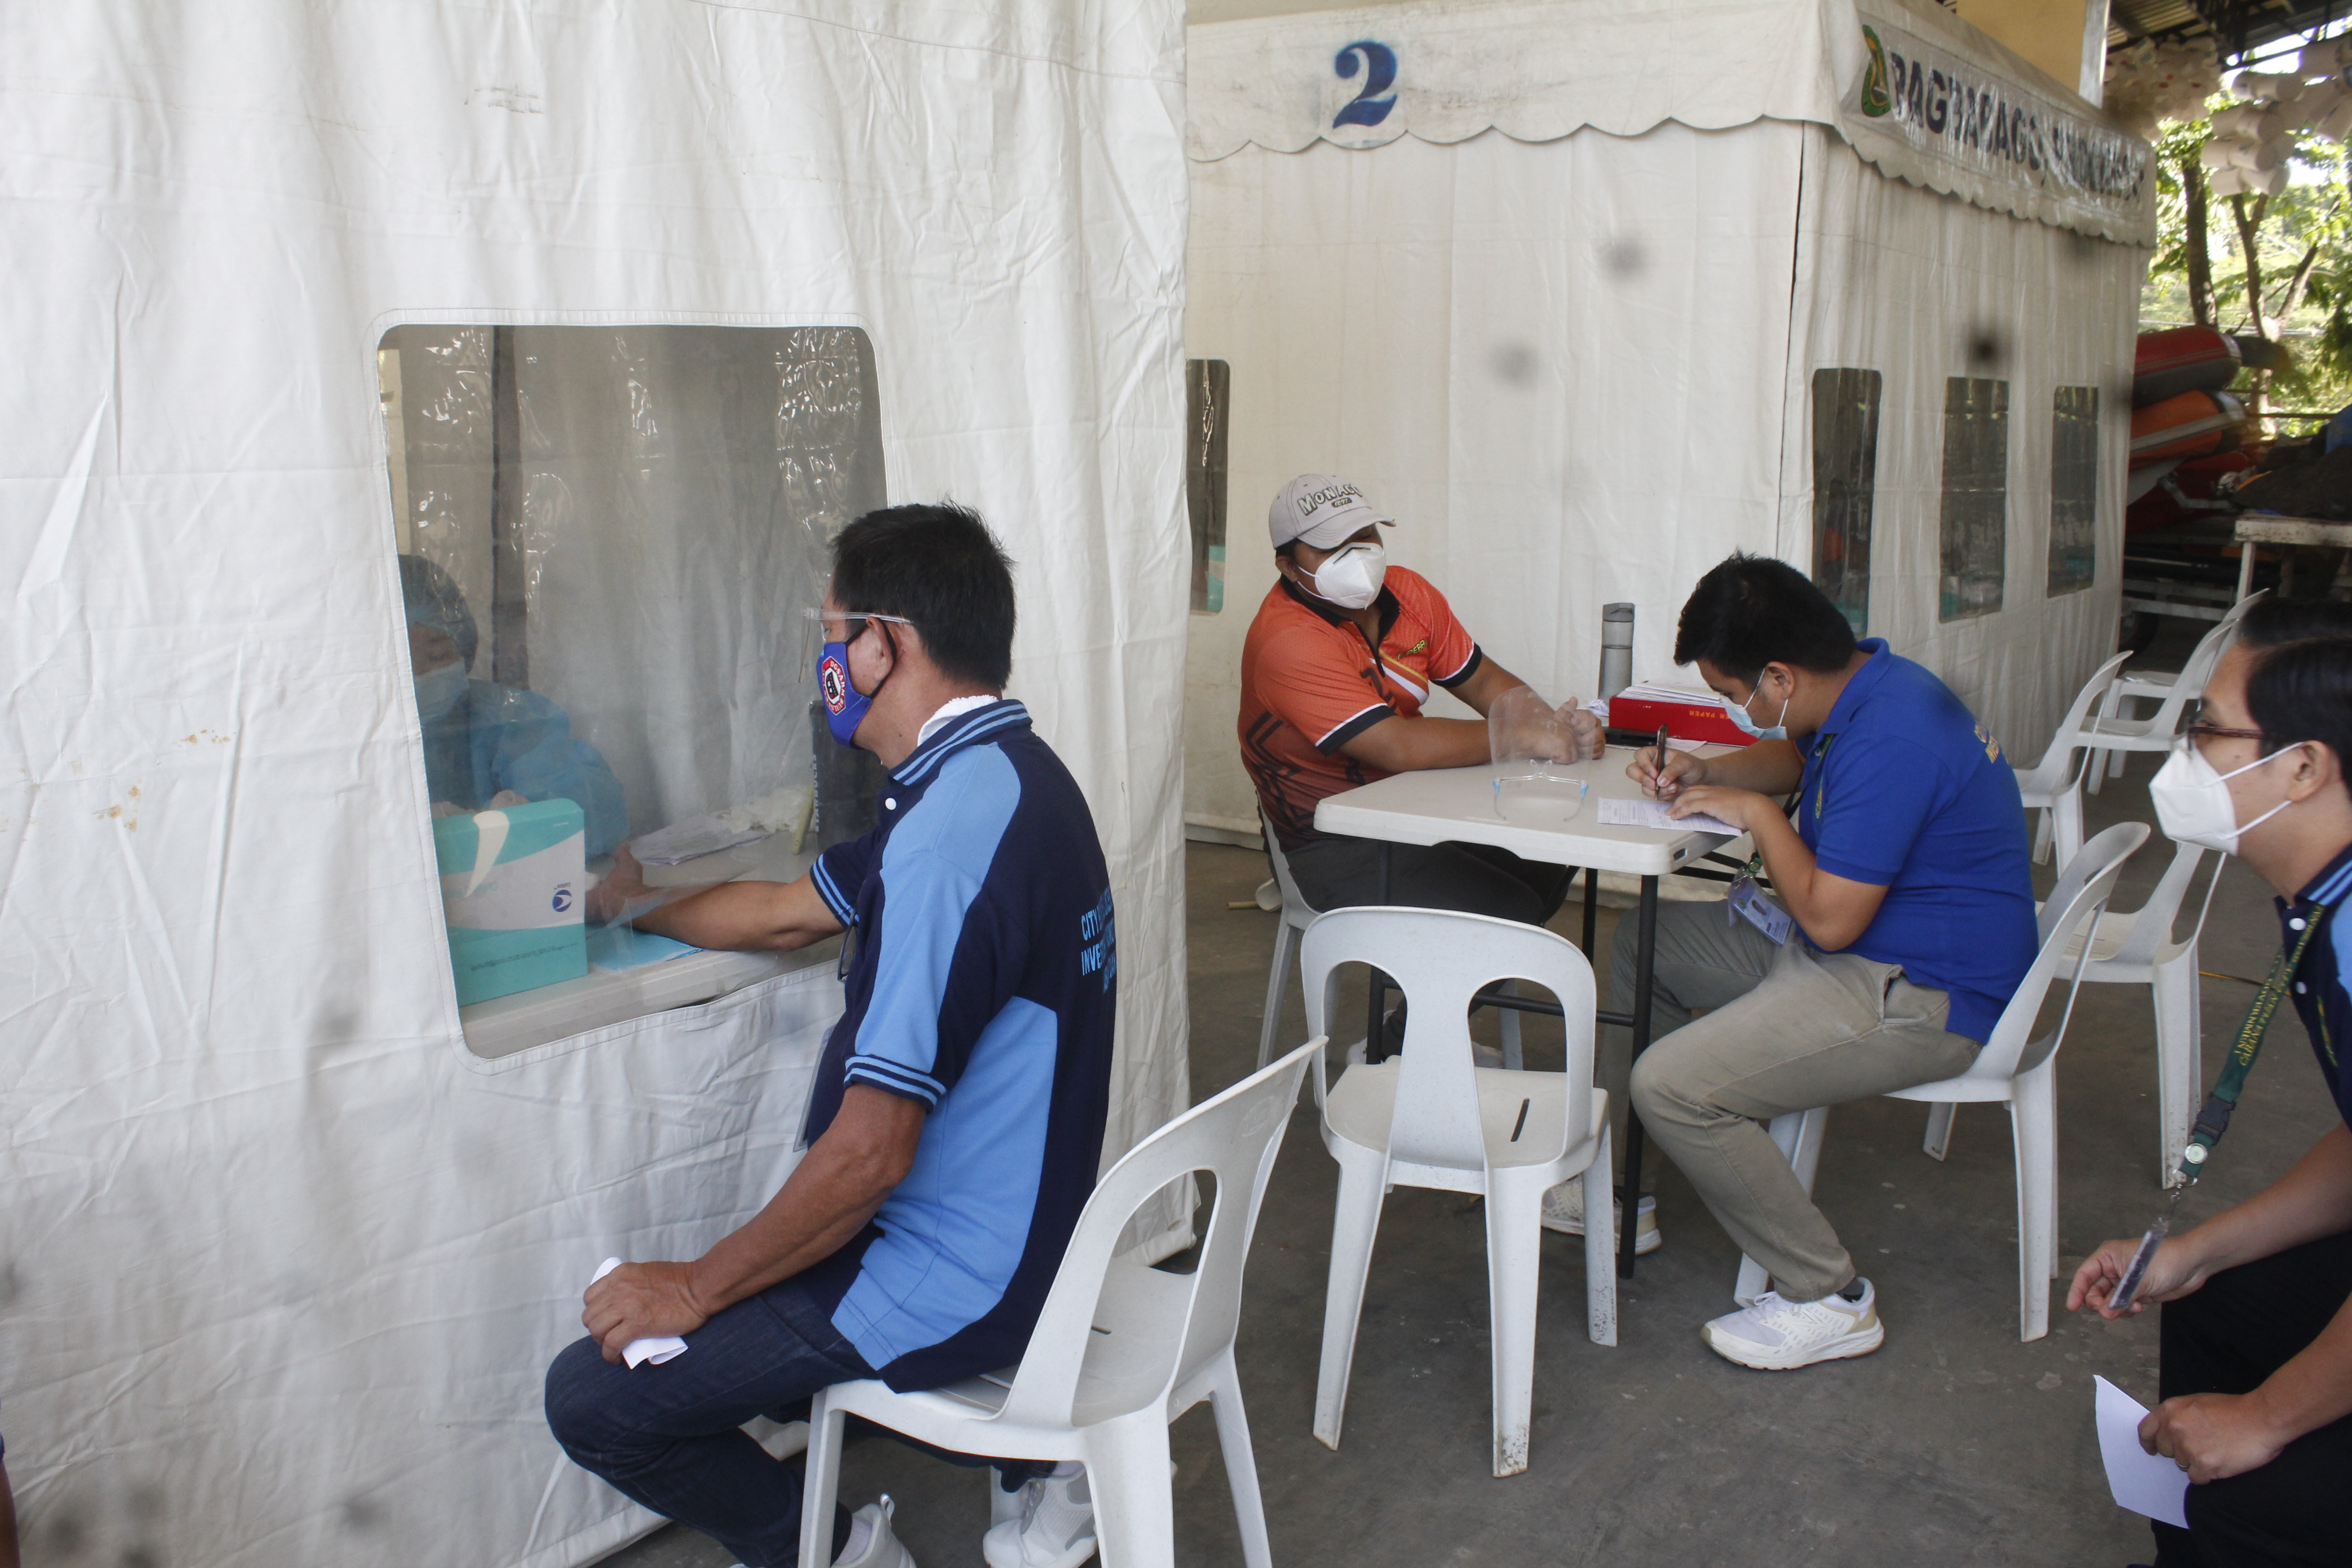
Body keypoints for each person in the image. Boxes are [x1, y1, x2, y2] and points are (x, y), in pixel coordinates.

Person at [544, 504, 1117, 1568]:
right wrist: (627, 902)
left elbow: (870, 1152)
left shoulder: (949, 840)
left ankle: (843, 1552)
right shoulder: (1011, 780)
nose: (826, 658)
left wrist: (695, 1283)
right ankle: (1047, 1474)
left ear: (883, 643)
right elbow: (786, 909)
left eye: (834, 630)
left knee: (594, 1396)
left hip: (953, 1272)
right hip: (1037, 1231)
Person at [1625, 553, 2037, 1369]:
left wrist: (1748, 814)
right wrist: (1708, 771)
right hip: (1862, 949)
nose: (1730, 709)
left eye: (1727, 695)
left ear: (1776, 677)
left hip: (1919, 989)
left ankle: (1829, 1295)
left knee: (1670, 1086)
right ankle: (1618, 1194)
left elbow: (1829, 919)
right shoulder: (1867, 685)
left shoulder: (1895, 737)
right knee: (1644, 947)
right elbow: (1802, 763)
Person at [2070, 599, 2352, 1568]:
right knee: (2219, 1302)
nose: (2185, 754)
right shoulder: (2324, 898)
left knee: (2258, 1503)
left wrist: (2268, 1419)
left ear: (2306, 766)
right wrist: (2197, 1250)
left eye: (2209, 729)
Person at [1239, 473, 1595, 924]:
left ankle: (1447, 988)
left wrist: (1554, 728)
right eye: (1332, 545)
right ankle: (1433, 991)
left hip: (1411, 811)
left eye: (1364, 535)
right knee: (1509, 911)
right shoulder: (1288, 640)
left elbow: (1484, 682)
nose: (1357, 553)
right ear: (1288, 567)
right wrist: (1523, 737)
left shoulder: (1410, 594)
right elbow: (1398, 746)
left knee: (1544, 864)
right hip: (1330, 843)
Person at [398, 554, 628, 857]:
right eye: (399, 662)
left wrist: (527, 822)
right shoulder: (336, 741)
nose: (420, 675)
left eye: (439, 655)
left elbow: (587, 811)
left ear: (464, 648)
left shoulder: (506, 717)